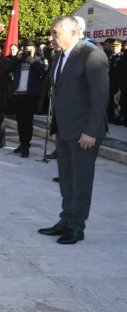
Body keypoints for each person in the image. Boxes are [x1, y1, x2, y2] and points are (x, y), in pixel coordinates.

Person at [38, 15, 109, 245]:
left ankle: (77, 227)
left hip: (84, 132)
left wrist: (91, 131)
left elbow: (100, 98)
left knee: (81, 181)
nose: (51, 38)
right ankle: (66, 219)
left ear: (73, 32)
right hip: (65, 129)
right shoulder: (60, 56)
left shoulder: (92, 56)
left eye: (55, 33)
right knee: (67, 179)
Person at [10, 42, 47, 157]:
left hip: (30, 95)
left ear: (35, 50)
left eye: (29, 50)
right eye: (25, 49)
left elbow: (43, 72)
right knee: (20, 121)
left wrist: (33, 62)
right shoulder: (19, 61)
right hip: (17, 94)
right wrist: (18, 58)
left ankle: (26, 145)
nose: (27, 52)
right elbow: (7, 68)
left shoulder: (38, 60)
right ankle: (21, 143)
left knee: (27, 121)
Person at [108, 40, 123, 123]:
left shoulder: (122, 57)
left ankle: (117, 117)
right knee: (110, 100)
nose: (114, 48)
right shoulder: (110, 56)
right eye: (113, 46)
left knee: (116, 101)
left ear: (120, 47)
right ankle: (110, 116)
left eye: (116, 46)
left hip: (118, 83)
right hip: (109, 82)